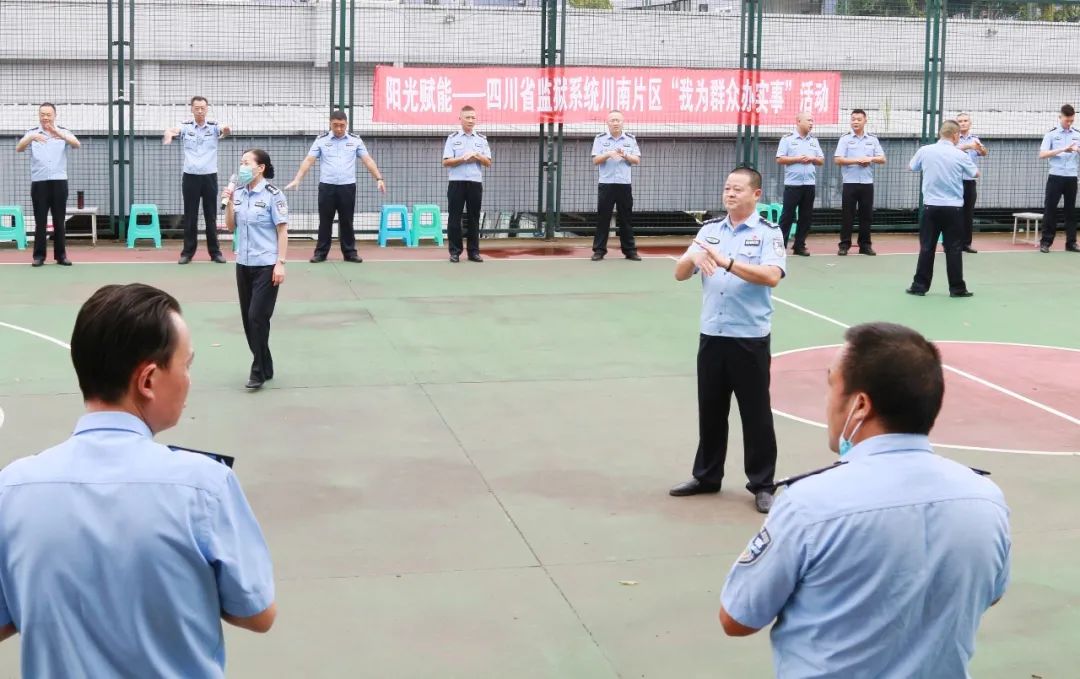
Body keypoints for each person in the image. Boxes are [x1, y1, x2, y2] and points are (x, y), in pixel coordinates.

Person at [0, 283, 276, 677]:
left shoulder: (12, 488)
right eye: (186, 365)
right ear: (148, 380)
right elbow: (257, 612)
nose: (189, 380)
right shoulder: (203, 487)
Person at [718, 322, 1010, 678]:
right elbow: (991, 593)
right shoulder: (985, 500)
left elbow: (737, 618)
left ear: (859, 405)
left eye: (831, 386)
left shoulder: (810, 504)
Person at [669, 167, 786, 514]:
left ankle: (763, 484)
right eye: (727, 188)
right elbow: (679, 274)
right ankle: (707, 475)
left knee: (756, 414)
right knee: (711, 409)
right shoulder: (708, 230)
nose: (730, 194)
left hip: (748, 337)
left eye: (738, 189)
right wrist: (692, 256)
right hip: (713, 335)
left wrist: (727, 262)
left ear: (756, 195)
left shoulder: (768, 233)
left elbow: (771, 276)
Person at [224, 149, 288, 390]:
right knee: (248, 320)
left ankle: (258, 371)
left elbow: (282, 230)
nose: (242, 167)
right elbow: (231, 227)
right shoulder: (239, 193)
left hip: (266, 265)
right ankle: (267, 363)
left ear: (260, 168)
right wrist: (229, 201)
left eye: (247, 163)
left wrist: (280, 262)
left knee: (257, 317)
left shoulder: (274, 194)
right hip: (244, 264)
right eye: (241, 162)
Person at [285, 110, 385, 263]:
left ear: (346, 125)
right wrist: (297, 179)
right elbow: (308, 160)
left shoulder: (355, 140)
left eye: (342, 125)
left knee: (347, 221)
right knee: (325, 221)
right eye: (335, 125)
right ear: (330, 124)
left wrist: (379, 178)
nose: (339, 129)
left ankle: (350, 253)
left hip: (347, 187)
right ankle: (320, 253)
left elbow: (368, 160)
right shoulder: (321, 140)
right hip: (327, 187)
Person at [906, 120, 978, 298]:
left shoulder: (925, 150)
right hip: (953, 208)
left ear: (940, 133)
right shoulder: (959, 154)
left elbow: (911, 167)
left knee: (927, 247)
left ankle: (919, 286)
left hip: (931, 206)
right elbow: (975, 173)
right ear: (955, 135)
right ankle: (957, 289)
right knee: (953, 248)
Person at [163, 96, 230, 265]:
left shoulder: (214, 126)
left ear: (207, 109)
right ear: (191, 109)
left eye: (203, 108)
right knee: (190, 216)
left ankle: (215, 253)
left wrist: (227, 129)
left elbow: (225, 130)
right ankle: (187, 253)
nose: (200, 111)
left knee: (211, 217)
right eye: (197, 108)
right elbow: (172, 130)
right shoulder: (185, 126)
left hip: (209, 177)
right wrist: (169, 135)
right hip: (190, 177)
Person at [15, 102, 80, 267]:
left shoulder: (63, 132)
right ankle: (39, 256)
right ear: (39, 115)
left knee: (59, 220)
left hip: (59, 181)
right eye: (42, 114)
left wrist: (59, 133)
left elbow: (76, 144)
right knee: (40, 221)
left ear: (54, 115)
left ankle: (61, 256)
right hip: (39, 182)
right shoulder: (32, 133)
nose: (45, 117)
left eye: (48, 114)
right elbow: (19, 148)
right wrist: (30, 138)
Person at [591, 109, 642, 261]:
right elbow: (595, 160)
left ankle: (630, 251)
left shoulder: (630, 139)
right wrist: (608, 154)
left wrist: (624, 154)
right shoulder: (600, 139)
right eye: (612, 120)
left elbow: (637, 160)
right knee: (603, 218)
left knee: (626, 218)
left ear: (622, 122)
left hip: (624, 184)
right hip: (606, 184)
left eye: (618, 120)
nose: (615, 123)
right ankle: (599, 250)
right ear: (607, 123)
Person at [442, 105, 491, 263]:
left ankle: (473, 252)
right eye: (468, 117)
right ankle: (455, 252)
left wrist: (477, 156)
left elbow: (488, 162)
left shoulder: (481, 139)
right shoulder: (453, 138)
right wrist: (462, 158)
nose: (471, 120)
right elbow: (446, 162)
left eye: (473, 117)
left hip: (475, 183)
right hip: (456, 183)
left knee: (474, 218)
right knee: (454, 218)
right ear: (460, 119)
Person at [834, 109, 885, 256]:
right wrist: (857, 160)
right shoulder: (845, 139)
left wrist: (870, 159)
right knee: (847, 215)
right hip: (849, 183)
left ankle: (865, 245)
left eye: (858, 119)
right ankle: (844, 245)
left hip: (867, 184)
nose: (855, 122)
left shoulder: (872, 139)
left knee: (866, 216)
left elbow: (882, 158)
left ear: (865, 121)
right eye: (853, 119)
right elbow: (838, 159)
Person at [775, 111, 824, 256]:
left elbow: (821, 160)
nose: (811, 123)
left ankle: (799, 245)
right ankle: (780, 246)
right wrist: (797, 159)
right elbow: (780, 159)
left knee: (806, 216)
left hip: (809, 184)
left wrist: (812, 159)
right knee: (787, 215)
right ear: (798, 121)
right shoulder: (787, 139)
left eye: (812, 121)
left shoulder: (814, 141)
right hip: (793, 184)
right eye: (809, 120)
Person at [1038, 103, 1080, 253]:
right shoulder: (1051, 134)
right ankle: (1046, 242)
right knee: (1050, 209)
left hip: (1071, 177)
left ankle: (1071, 243)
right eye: (1066, 120)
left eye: (1071, 120)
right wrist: (1064, 149)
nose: (1069, 123)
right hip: (1055, 176)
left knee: (1070, 211)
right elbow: (1042, 154)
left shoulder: (1077, 134)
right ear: (1060, 117)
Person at [956, 112, 988, 254]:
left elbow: (983, 153)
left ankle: (966, 244)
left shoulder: (975, 139)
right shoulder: (953, 139)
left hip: (969, 181)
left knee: (967, 214)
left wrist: (981, 148)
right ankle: (950, 243)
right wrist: (969, 146)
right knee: (953, 213)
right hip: (954, 181)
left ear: (970, 123)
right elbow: (950, 150)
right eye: (960, 121)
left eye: (965, 121)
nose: (963, 123)